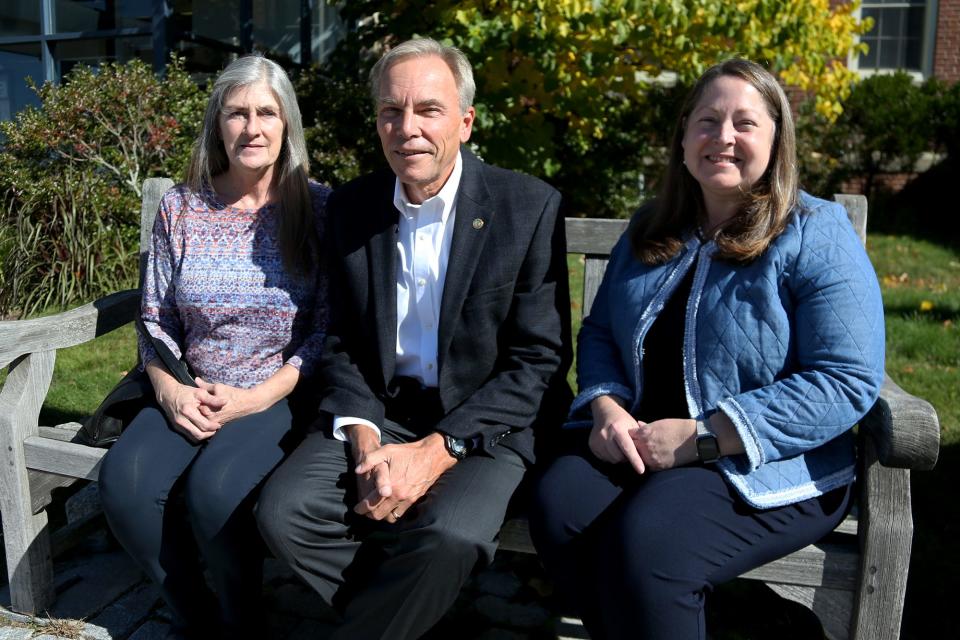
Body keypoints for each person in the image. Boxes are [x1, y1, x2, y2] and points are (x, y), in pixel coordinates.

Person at [529, 58, 886, 639]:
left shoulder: (814, 231)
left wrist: (703, 437)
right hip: (641, 444)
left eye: (745, 124)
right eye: (707, 121)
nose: (723, 138)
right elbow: (600, 332)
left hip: (766, 460)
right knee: (561, 506)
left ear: (776, 139)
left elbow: (845, 379)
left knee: (651, 542)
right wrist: (606, 407)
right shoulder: (653, 227)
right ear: (684, 137)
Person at [256, 37, 571, 639]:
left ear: (465, 122)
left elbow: (539, 363)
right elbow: (344, 340)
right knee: (284, 513)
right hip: (384, 410)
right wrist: (365, 442)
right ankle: (414, 611)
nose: (408, 129)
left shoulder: (527, 207)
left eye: (428, 110)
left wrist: (436, 452)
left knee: (448, 534)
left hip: (487, 425)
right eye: (391, 112)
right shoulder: (353, 206)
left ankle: (399, 613)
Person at [97, 54, 330, 640]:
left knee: (215, 493)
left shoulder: (319, 208)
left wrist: (256, 399)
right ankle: (197, 619)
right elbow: (154, 315)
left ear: (286, 124)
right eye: (237, 112)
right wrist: (170, 389)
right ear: (218, 124)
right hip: (188, 384)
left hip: (278, 392)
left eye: (266, 113)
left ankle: (244, 621)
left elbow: (330, 327)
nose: (252, 127)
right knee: (124, 487)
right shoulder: (182, 206)